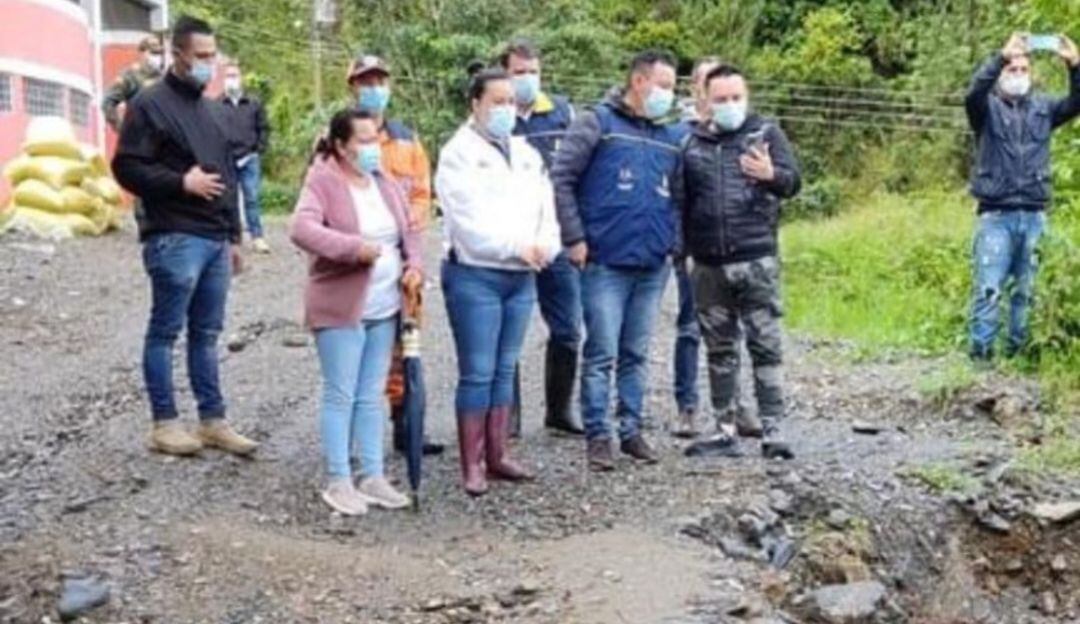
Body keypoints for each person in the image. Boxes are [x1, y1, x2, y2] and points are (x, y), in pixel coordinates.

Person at [112, 16, 257, 457]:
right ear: (177, 55)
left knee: (207, 333)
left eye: (213, 57)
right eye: (201, 57)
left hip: (214, 239)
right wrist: (181, 183)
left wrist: (235, 235)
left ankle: (213, 420)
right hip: (174, 236)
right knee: (165, 331)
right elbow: (127, 167)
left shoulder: (213, 110)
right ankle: (165, 423)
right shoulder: (149, 104)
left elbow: (229, 176)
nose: (208, 65)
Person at [551, 50, 684, 471]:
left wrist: (673, 243)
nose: (669, 94)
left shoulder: (670, 136)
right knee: (602, 351)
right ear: (639, 82)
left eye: (673, 87)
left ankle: (631, 430)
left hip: (652, 263)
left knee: (636, 352)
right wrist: (573, 237)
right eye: (664, 85)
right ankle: (598, 435)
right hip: (604, 260)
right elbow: (562, 178)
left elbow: (679, 196)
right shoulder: (597, 123)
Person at [289, 109, 423, 515]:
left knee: (370, 396)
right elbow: (301, 229)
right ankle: (338, 479)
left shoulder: (385, 182)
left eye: (375, 139)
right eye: (363, 141)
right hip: (341, 307)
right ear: (342, 146)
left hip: (384, 306)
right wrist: (354, 248)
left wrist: (414, 266)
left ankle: (372, 474)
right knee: (340, 393)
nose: (372, 148)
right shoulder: (323, 180)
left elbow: (410, 232)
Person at [435, 68, 562, 496]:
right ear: (475, 104)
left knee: (506, 368)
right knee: (479, 371)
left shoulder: (526, 152)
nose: (507, 109)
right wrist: (514, 246)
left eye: (511, 102)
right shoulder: (457, 154)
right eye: (498, 102)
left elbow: (547, 208)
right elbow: (468, 225)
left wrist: (546, 245)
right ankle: (471, 464)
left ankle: (498, 453)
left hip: (522, 276)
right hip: (476, 274)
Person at [674, 64, 801, 460]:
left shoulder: (766, 134)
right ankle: (724, 429)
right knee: (719, 349)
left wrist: (770, 173)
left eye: (736, 97)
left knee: (766, 346)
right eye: (721, 99)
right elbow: (679, 204)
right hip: (708, 265)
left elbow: (793, 182)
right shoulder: (690, 144)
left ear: (746, 97)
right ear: (706, 102)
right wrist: (683, 256)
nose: (730, 105)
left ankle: (773, 430)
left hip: (756, 258)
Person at [346, 52, 445, 456]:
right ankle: (354, 439)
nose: (374, 89)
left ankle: (407, 431)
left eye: (380, 81)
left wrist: (411, 241)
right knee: (358, 348)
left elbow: (422, 193)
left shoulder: (407, 139)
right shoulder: (338, 136)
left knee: (407, 345)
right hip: (358, 258)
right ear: (352, 87)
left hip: (403, 257)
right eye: (366, 82)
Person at [965, 33, 1080, 363]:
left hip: (1033, 215)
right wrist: (1001, 56)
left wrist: (1075, 65)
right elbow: (973, 92)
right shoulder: (985, 108)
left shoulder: (1044, 108)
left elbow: (1077, 101)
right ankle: (981, 358)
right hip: (995, 216)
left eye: (1023, 69)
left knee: (1026, 293)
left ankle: (1019, 357)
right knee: (989, 290)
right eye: (1012, 69)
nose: (1018, 74)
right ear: (1002, 74)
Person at [671, 57, 764, 441]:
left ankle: (737, 406)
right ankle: (687, 406)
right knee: (692, 325)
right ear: (696, 88)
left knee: (736, 329)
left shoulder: (748, 130)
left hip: (741, 246)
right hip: (696, 246)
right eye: (706, 82)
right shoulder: (681, 132)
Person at [498, 39, 583, 437]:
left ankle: (559, 410)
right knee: (510, 328)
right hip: (512, 241)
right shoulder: (495, 115)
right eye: (519, 72)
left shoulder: (564, 113)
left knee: (567, 327)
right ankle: (508, 415)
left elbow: (585, 171)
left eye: (532, 72)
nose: (527, 80)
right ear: (505, 74)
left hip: (558, 238)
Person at [219, 61, 271, 254]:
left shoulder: (254, 103)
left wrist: (258, 149)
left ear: (241, 79)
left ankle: (257, 237)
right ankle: (234, 238)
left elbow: (264, 128)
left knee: (252, 197)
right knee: (229, 199)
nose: (231, 80)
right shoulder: (217, 105)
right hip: (227, 160)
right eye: (228, 76)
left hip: (250, 158)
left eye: (234, 75)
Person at [102, 35, 165, 131]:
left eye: (159, 54)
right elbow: (108, 102)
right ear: (142, 53)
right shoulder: (131, 75)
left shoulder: (163, 78)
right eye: (153, 53)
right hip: (140, 137)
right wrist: (121, 128)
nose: (157, 57)